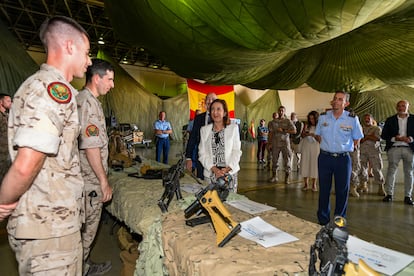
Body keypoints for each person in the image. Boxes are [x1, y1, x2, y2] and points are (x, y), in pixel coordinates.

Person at [0, 15, 91, 275]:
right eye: (86, 52)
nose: (89, 60)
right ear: (69, 47)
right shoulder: (50, 90)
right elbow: (27, 163)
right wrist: (2, 203)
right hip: (49, 230)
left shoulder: (49, 88)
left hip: (54, 224)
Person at [77, 58, 114, 275]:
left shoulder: (84, 100)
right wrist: (103, 182)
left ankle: (83, 265)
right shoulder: (88, 103)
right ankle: (79, 269)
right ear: (97, 78)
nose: (112, 85)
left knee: (82, 232)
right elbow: (91, 148)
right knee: (87, 232)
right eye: (109, 79)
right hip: (90, 182)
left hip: (84, 179)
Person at [315, 91, 363, 225]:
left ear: (346, 103)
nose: (336, 101)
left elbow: (357, 138)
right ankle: (323, 219)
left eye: (340, 99)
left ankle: (339, 220)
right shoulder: (323, 117)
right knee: (324, 189)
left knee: (342, 191)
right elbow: (318, 135)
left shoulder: (352, 119)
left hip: (343, 159)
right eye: (335, 98)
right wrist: (328, 146)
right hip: (325, 158)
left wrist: (343, 148)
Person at [198, 99, 242, 192]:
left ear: (225, 113)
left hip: (229, 174)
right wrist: (215, 170)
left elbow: (236, 151)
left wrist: (226, 170)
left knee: (229, 204)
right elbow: (202, 154)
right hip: (210, 175)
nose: (215, 112)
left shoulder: (233, 128)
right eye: (213, 109)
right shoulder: (204, 130)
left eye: (218, 109)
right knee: (211, 204)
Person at [381, 100, 414, 205]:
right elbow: (384, 135)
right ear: (396, 107)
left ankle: (408, 196)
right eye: (399, 106)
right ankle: (389, 194)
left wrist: (410, 139)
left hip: (409, 148)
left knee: (409, 172)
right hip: (394, 147)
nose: (401, 108)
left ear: (408, 106)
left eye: (403, 106)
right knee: (391, 171)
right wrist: (395, 138)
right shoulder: (390, 120)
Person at [185, 92, 217, 179]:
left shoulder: (222, 119)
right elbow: (192, 138)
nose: (210, 101)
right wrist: (188, 158)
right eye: (208, 99)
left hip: (217, 161)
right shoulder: (198, 118)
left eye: (213, 99)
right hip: (201, 159)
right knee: (201, 183)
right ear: (205, 102)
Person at [268, 106, 296, 184]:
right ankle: (274, 176)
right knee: (274, 160)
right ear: (278, 111)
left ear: (284, 112)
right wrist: (269, 143)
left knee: (287, 160)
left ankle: (287, 178)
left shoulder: (288, 121)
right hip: (275, 143)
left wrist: (284, 130)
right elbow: (270, 133)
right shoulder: (273, 122)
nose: (281, 112)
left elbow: (294, 131)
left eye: (282, 111)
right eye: (279, 110)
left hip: (285, 144)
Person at [359, 113, 385, 196]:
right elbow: (359, 139)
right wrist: (370, 136)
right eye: (365, 118)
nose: (367, 120)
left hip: (374, 152)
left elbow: (377, 138)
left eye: (368, 118)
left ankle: (381, 187)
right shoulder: (360, 129)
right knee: (362, 169)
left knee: (377, 169)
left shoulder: (377, 128)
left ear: (372, 120)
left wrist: (366, 137)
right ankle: (363, 185)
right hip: (362, 151)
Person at [300, 111, 320, 192]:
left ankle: (314, 184)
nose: (311, 120)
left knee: (314, 164)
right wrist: (305, 134)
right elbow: (302, 135)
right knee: (305, 163)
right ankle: (305, 183)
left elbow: (320, 139)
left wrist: (314, 135)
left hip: (315, 147)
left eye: (313, 118)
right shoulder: (306, 125)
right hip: (306, 146)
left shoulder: (320, 127)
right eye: (310, 118)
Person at [0, 93, 12, 183]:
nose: (10, 103)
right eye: (8, 101)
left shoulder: (7, 116)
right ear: (1, 102)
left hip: (6, 152)